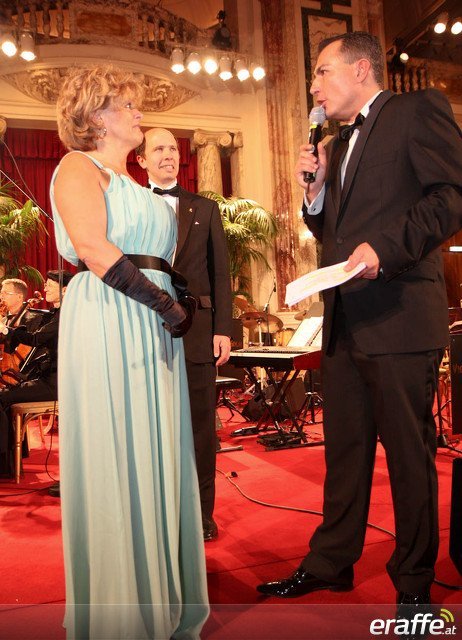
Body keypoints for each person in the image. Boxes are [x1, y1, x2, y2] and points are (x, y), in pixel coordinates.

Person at [257, 31, 462, 612]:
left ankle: (414, 583)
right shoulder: (336, 143)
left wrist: (386, 249)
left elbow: (451, 196)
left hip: (400, 316)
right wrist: (316, 194)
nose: (315, 86)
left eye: (322, 71)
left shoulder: (417, 110)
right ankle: (331, 563)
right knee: (344, 452)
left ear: (362, 69)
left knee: (408, 457)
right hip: (346, 320)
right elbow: (334, 233)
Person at [50, 66, 208, 639]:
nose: (140, 113)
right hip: (111, 316)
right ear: (97, 116)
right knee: (118, 448)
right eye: (128, 105)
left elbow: (159, 260)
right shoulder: (77, 166)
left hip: (152, 324)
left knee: (157, 448)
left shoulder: (141, 187)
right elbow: (92, 249)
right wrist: (163, 304)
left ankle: (160, 595)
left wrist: (177, 302)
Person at [137, 128, 233, 541]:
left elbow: (221, 274)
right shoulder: (133, 206)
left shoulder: (204, 208)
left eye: (173, 149)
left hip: (198, 332)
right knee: (151, 426)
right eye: (158, 148)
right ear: (141, 159)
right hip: (145, 330)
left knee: (199, 429)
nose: (168, 155)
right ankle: (156, 513)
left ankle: (202, 515)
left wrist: (223, 329)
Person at [0, 270, 72, 478]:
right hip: (47, 376)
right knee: (6, 397)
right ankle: (8, 465)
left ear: (64, 290)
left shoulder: (65, 315)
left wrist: (6, 330)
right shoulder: (55, 314)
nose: (45, 288)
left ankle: (5, 463)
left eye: (49, 285)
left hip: (55, 382)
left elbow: (35, 339)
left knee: (2, 397)